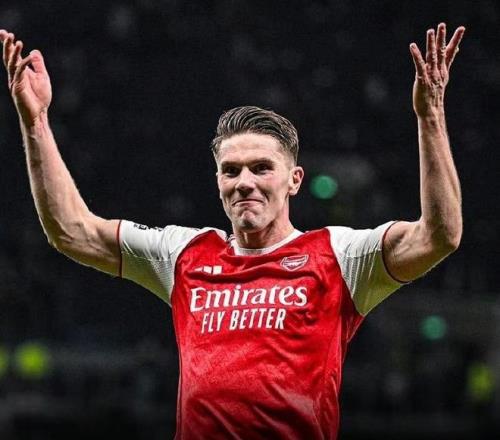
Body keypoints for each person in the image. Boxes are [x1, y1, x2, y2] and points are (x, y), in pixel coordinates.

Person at [0, 22, 464, 439]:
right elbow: (72, 231)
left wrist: (430, 117)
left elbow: (439, 236)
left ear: (294, 180)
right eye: (231, 170)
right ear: (218, 181)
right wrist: (35, 121)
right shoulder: (183, 252)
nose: (244, 182)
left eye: (261, 168)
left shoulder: (339, 254)